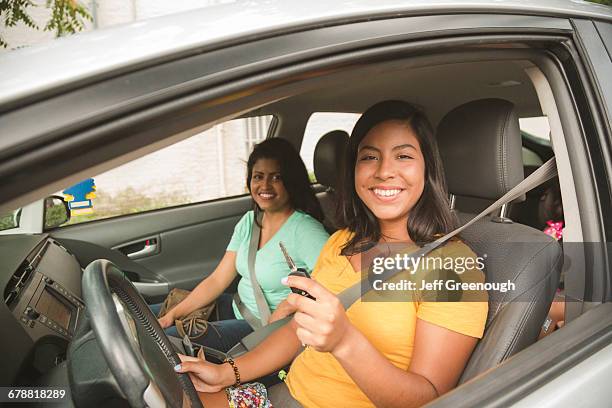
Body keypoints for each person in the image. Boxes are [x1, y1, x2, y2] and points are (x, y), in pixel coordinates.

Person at [175, 101, 489, 407]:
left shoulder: (453, 267)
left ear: (428, 168)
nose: (383, 172)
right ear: (353, 168)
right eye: (369, 157)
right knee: (174, 397)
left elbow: (429, 399)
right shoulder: (342, 241)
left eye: (403, 156)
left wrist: (344, 342)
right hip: (285, 396)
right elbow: (299, 329)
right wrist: (226, 373)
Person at [154, 138, 329, 352]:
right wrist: (173, 314)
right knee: (147, 317)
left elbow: (333, 283)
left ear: (291, 181)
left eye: (276, 177)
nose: (265, 186)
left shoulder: (305, 230)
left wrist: (287, 307)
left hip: (264, 327)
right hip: (236, 307)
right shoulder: (249, 221)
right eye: (258, 177)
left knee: (163, 343)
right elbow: (218, 280)